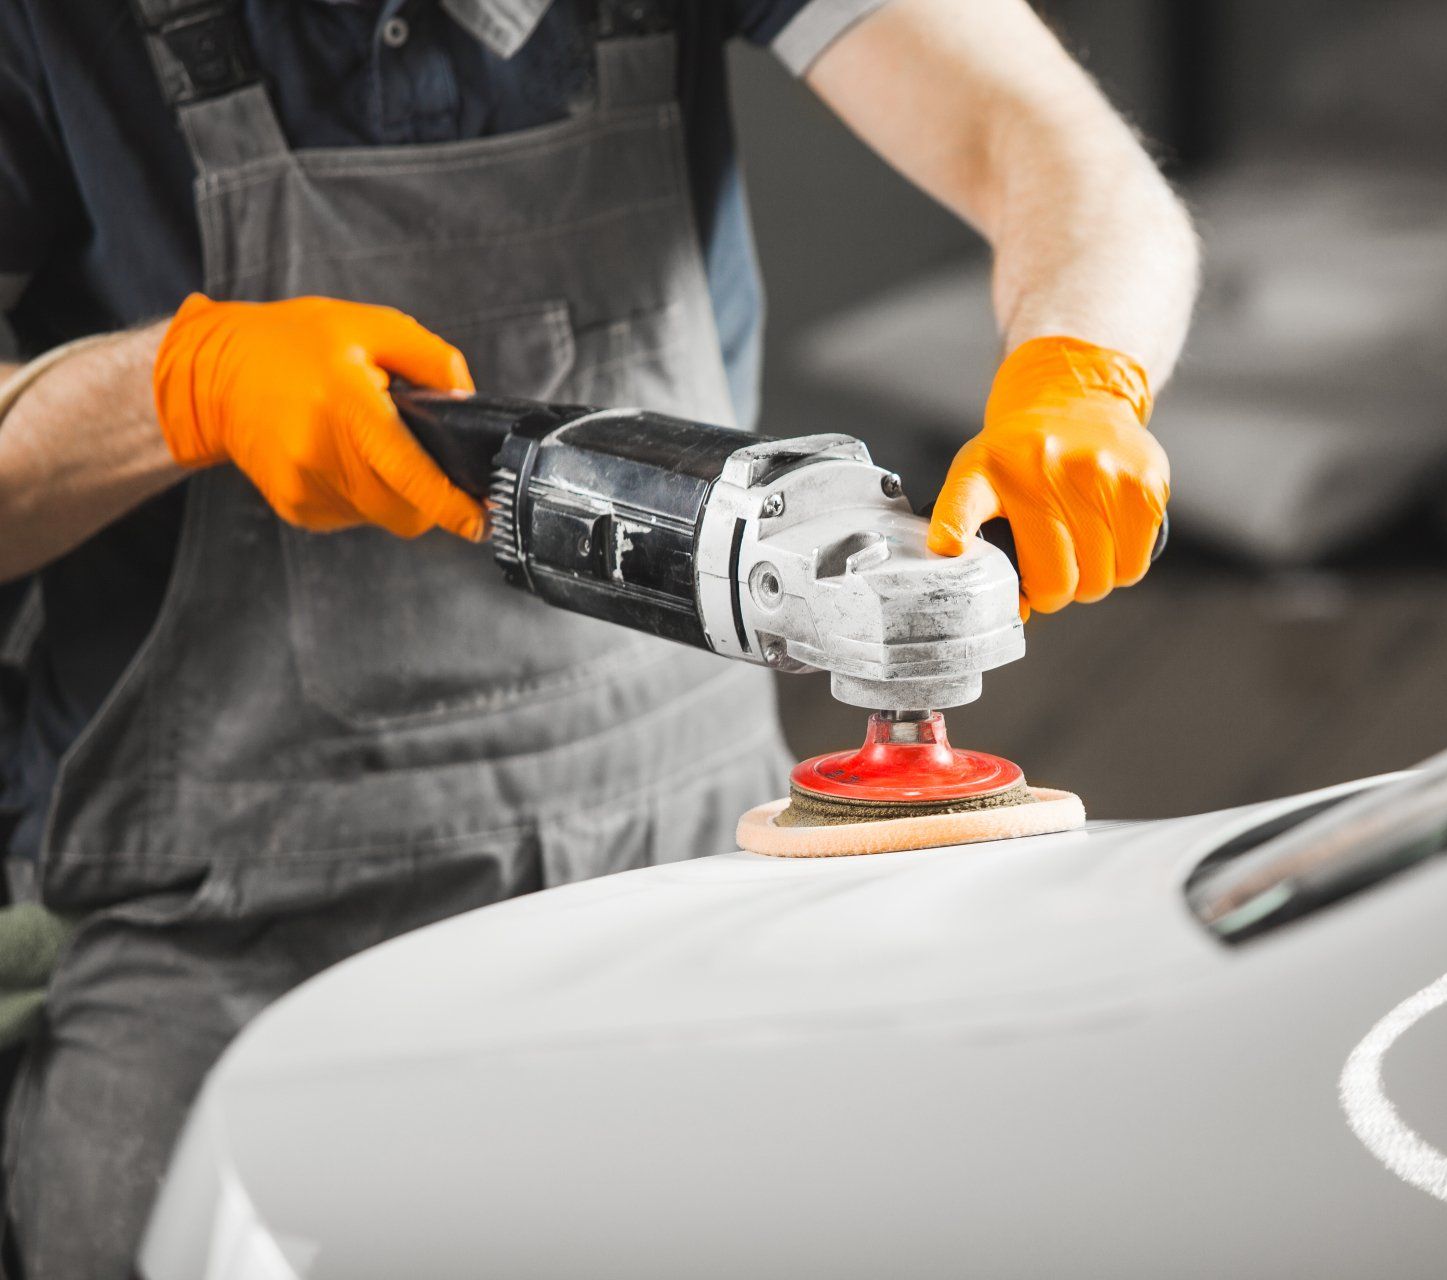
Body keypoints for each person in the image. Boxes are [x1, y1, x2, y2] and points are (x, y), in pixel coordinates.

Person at [0, 0, 1199, 1272]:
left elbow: (1048, 138)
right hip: (216, 939)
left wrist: (1085, 369)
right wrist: (178, 388)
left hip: (688, 871)